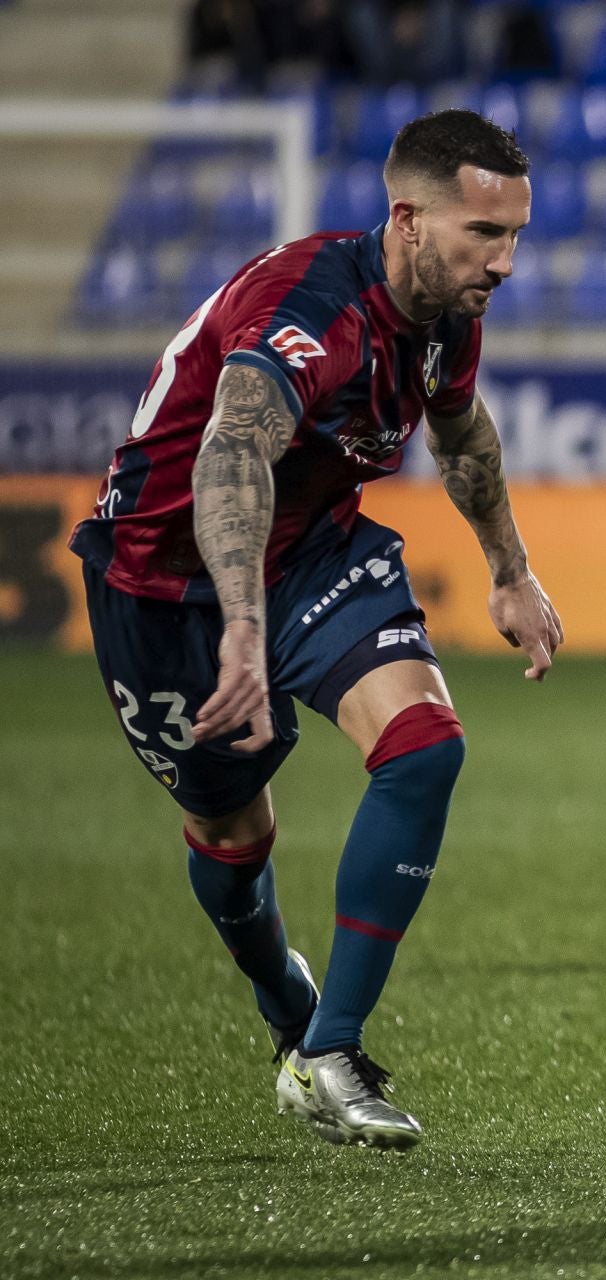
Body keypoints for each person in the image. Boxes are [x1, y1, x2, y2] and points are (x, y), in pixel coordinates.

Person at [69, 109, 561, 1150]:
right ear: (408, 219)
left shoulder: (447, 312)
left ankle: (332, 1052)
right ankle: (288, 1010)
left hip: (312, 553)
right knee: (232, 835)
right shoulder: (307, 307)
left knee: (425, 748)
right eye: (484, 233)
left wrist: (511, 573)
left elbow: (461, 431)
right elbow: (231, 452)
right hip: (164, 583)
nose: (505, 262)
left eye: (515, 235)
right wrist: (241, 627)